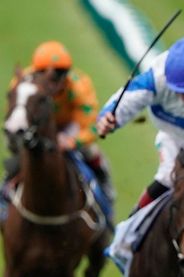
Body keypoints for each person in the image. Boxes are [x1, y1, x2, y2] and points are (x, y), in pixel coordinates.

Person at [96, 36, 184, 211]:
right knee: (166, 176)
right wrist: (109, 119)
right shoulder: (157, 77)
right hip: (173, 136)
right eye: (181, 91)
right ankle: (130, 229)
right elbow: (128, 98)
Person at [4, 41, 114, 200]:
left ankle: (105, 189)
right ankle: (5, 190)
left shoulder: (79, 86)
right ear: (37, 73)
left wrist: (73, 141)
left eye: (62, 74)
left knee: (91, 151)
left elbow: (93, 126)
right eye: (50, 75)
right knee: (18, 151)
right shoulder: (22, 84)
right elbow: (13, 117)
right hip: (37, 126)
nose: (56, 83)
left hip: (67, 126)